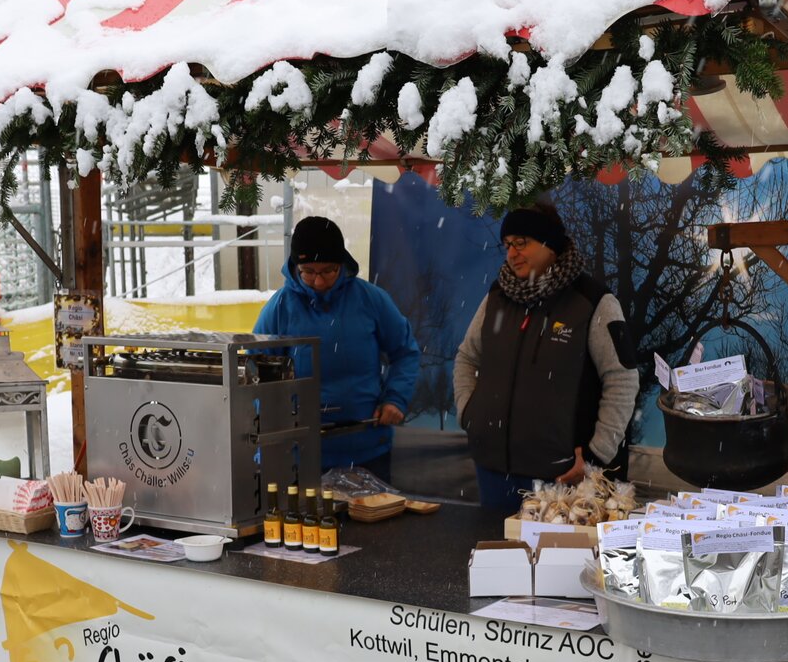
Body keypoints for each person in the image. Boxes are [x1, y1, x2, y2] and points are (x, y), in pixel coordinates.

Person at [453, 200, 638, 509]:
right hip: (493, 471)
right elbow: (466, 358)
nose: (512, 253)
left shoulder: (593, 302)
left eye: (521, 244)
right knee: (495, 554)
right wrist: (469, 413)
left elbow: (622, 379)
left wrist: (596, 456)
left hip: (563, 479)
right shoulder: (498, 296)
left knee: (558, 558)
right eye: (508, 245)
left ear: (550, 245)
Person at [253, 216, 421, 480]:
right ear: (296, 267)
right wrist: (269, 435)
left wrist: (395, 398)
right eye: (309, 272)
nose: (319, 282)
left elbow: (405, 352)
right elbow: (257, 376)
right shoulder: (278, 309)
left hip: (368, 450)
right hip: (302, 455)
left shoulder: (371, 300)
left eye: (328, 271)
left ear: (342, 264)